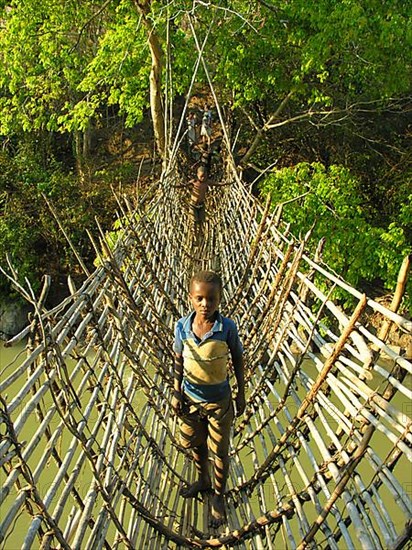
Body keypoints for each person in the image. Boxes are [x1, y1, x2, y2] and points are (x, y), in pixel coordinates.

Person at [172, 270, 246, 528]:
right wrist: (175, 391)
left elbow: (237, 359)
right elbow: (178, 361)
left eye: (211, 299)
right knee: (195, 442)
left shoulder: (227, 328)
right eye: (200, 298)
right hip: (191, 399)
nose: (205, 304)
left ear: (219, 299)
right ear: (191, 298)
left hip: (219, 401)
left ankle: (218, 495)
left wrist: (241, 394)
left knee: (220, 450)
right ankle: (203, 479)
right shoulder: (181, 326)